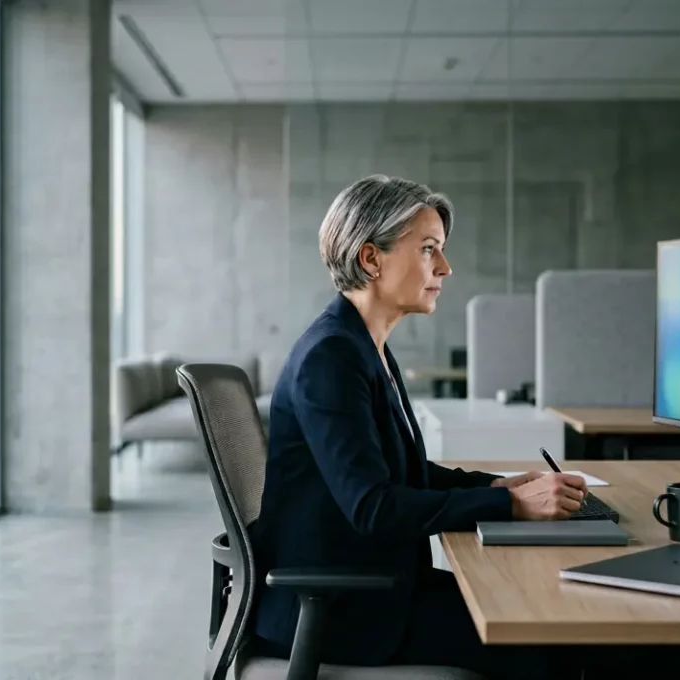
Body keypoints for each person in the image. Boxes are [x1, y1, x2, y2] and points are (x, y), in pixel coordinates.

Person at [249, 175, 589, 679]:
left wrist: (493, 486)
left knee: (553, 617)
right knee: (553, 638)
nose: (445, 268)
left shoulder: (364, 346)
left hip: (376, 588)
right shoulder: (331, 358)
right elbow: (374, 506)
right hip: (344, 611)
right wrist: (509, 506)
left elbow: (399, 471)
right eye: (429, 250)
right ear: (371, 259)